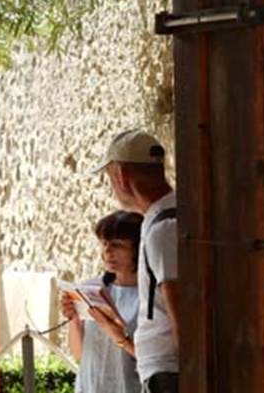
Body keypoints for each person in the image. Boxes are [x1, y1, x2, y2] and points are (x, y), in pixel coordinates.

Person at [95, 129, 178, 393]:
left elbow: (181, 314)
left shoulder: (163, 229)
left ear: (121, 176)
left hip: (168, 376)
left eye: (110, 178)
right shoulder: (164, 218)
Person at [61, 211, 143, 393]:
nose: (108, 251)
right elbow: (80, 354)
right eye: (104, 243)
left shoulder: (150, 296)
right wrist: (73, 319)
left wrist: (118, 334)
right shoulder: (90, 288)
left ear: (137, 249)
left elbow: (153, 358)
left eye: (117, 245)